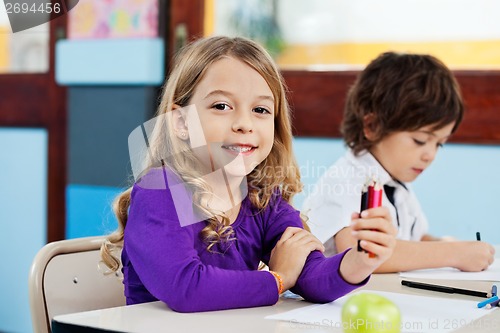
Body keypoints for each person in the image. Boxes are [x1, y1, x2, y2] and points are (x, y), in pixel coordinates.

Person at [100, 36, 397, 313]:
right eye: (222, 106)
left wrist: (359, 261)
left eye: (260, 110)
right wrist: (278, 280)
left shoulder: (264, 199)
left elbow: (309, 274)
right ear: (181, 122)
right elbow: (185, 286)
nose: (244, 123)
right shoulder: (160, 190)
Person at [303, 51, 495, 273]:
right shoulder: (346, 180)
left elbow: (415, 238)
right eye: (420, 140)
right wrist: (454, 253)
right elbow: (361, 252)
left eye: (439, 144)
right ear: (373, 126)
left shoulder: (397, 185)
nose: (430, 155)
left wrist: (448, 245)